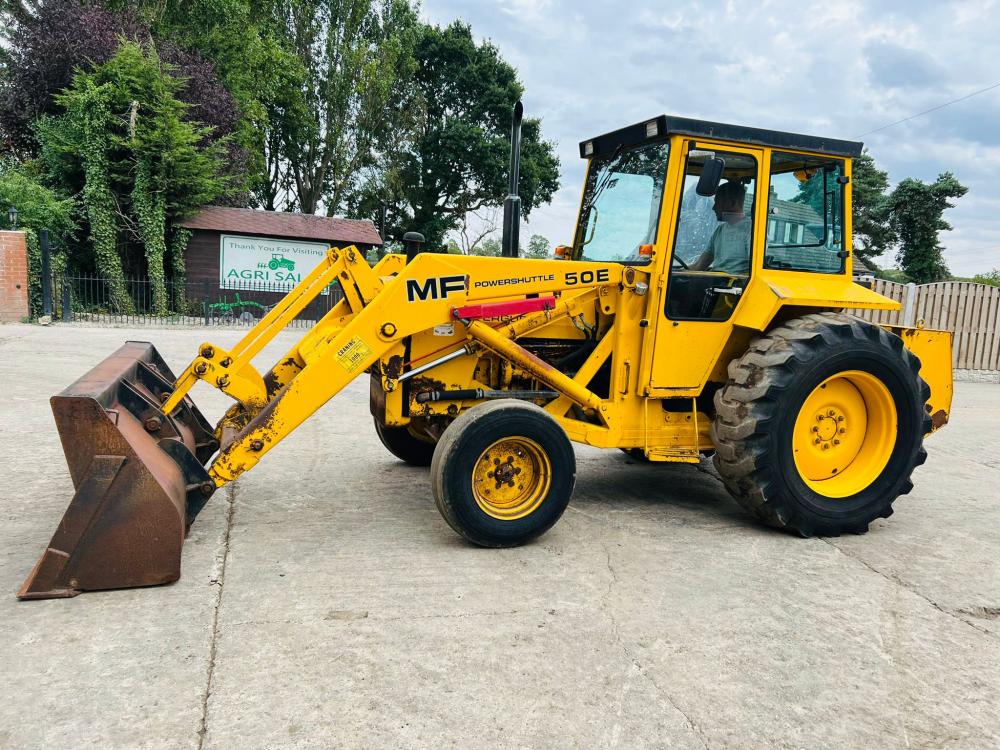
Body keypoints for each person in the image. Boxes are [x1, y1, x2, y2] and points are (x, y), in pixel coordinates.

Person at [689, 181, 751, 274]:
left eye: (717, 202)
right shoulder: (720, 230)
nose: (714, 208)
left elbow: (753, 272)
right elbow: (700, 265)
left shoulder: (752, 231)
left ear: (732, 203)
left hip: (736, 286)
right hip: (716, 282)